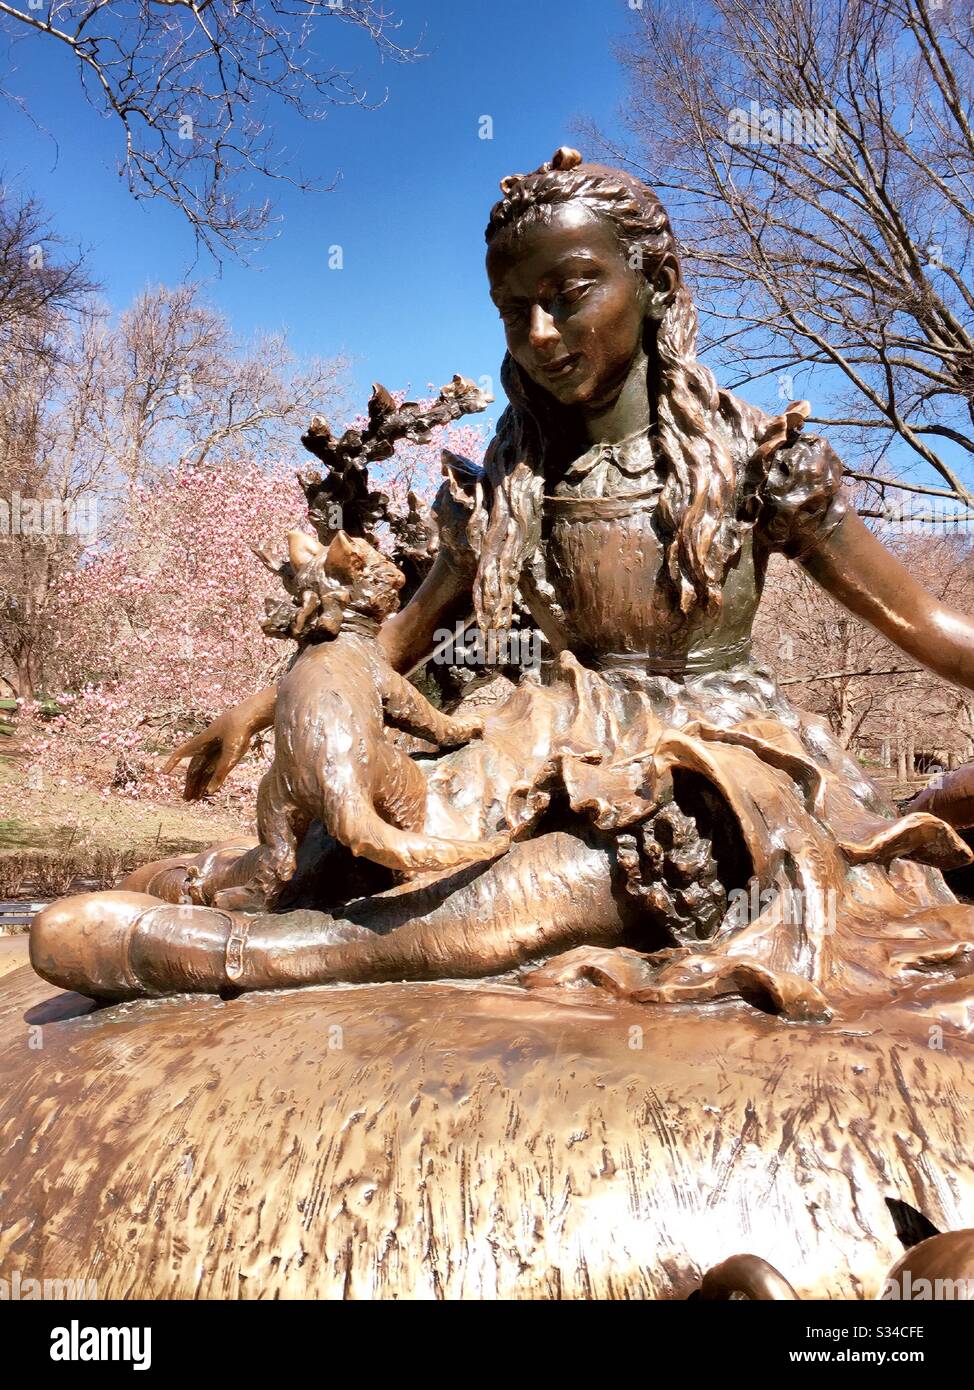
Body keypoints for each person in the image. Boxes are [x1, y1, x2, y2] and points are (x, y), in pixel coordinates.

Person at [30, 150, 974, 1016]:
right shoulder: (515, 477)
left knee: (579, 880)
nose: (539, 332)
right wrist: (261, 712)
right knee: (365, 820)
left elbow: (924, 621)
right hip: (549, 733)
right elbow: (397, 642)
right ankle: (237, 880)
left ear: (652, 284)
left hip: (707, 758)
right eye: (513, 309)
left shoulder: (757, 462)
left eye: (569, 294)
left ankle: (254, 955)